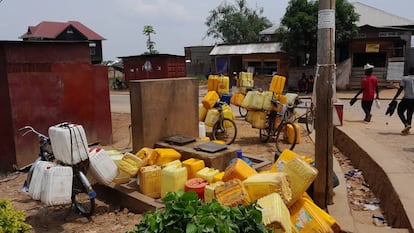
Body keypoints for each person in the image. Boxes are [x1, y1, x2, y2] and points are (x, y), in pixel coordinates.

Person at [390, 68, 414, 135]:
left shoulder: (405, 78)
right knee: (410, 113)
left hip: (406, 98)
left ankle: (406, 124)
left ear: (409, 71)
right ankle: (408, 127)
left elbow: (400, 89)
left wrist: (395, 98)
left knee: (400, 111)